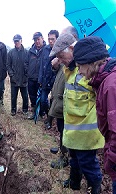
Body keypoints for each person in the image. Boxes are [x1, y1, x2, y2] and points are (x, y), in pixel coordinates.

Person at [73, 36, 116, 194]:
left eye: (80, 65)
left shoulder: (111, 85)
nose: (79, 71)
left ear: (90, 62)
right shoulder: (104, 80)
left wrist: (112, 159)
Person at [49, 33, 104, 194]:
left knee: (88, 164)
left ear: (71, 49)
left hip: (87, 131)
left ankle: (93, 193)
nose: (60, 60)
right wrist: (60, 61)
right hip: (73, 129)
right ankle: (74, 182)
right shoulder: (71, 70)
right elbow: (66, 68)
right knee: (74, 158)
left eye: (61, 56)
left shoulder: (89, 73)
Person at [48, 26, 79, 169]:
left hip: (68, 105)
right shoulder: (65, 61)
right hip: (61, 101)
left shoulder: (78, 63)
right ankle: (63, 153)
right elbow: (60, 76)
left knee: (67, 132)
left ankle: (66, 157)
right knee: (62, 130)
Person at [38, 30, 59, 124]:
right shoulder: (45, 49)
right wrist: (40, 79)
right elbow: (42, 65)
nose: (50, 41)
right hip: (45, 80)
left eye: (53, 39)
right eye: (49, 39)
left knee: (54, 102)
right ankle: (47, 115)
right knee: (43, 100)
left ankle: (50, 121)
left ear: (57, 39)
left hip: (55, 81)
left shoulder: (60, 50)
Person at [25, 32, 46, 120]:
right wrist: (28, 71)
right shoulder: (31, 51)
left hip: (41, 79)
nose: (37, 41)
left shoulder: (47, 50)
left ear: (42, 39)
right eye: (35, 40)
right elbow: (26, 63)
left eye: (38, 39)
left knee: (42, 98)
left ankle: (41, 114)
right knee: (32, 96)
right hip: (31, 78)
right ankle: (34, 112)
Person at [7, 34, 28, 116]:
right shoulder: (11, 52)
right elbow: (8, 65)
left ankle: (25, 110)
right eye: (15, 41)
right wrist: (11, 75)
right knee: (13, 96)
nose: (16, 43)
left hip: (24, 79)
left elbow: (29, 64)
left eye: (18, 41)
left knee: (25, 96)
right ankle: (13, 110)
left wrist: (26, 75)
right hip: (14, 79)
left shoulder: (26, 52)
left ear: (21, 41)